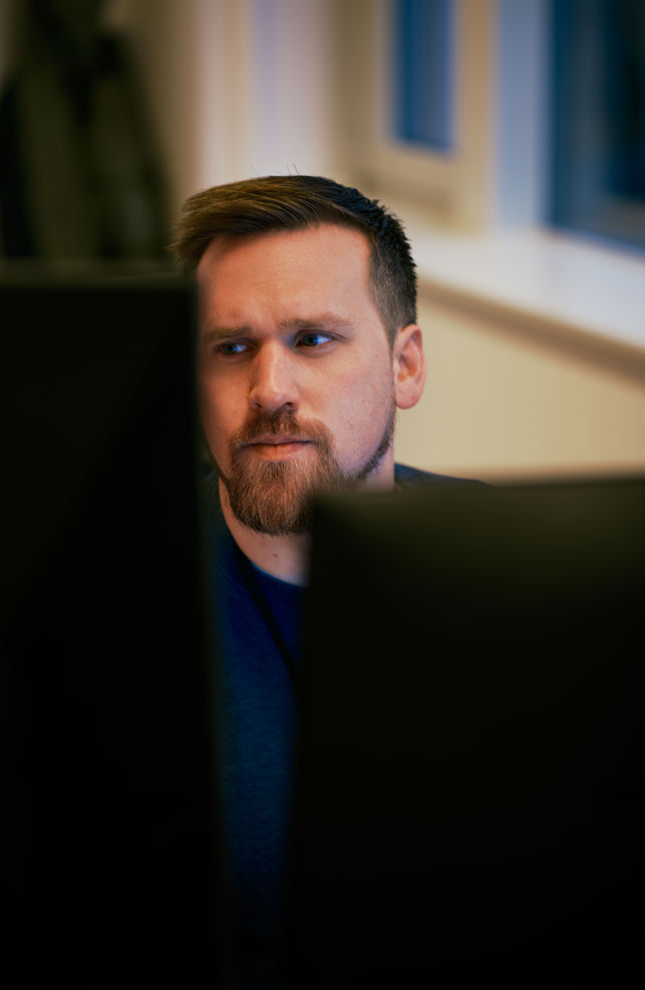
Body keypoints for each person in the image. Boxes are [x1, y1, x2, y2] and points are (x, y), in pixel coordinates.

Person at [171, 175, 467, 987]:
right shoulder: (109, 597)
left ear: (405, 367)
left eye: (313, 339)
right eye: (231, 348)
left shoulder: (504, 574)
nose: (269, 389)